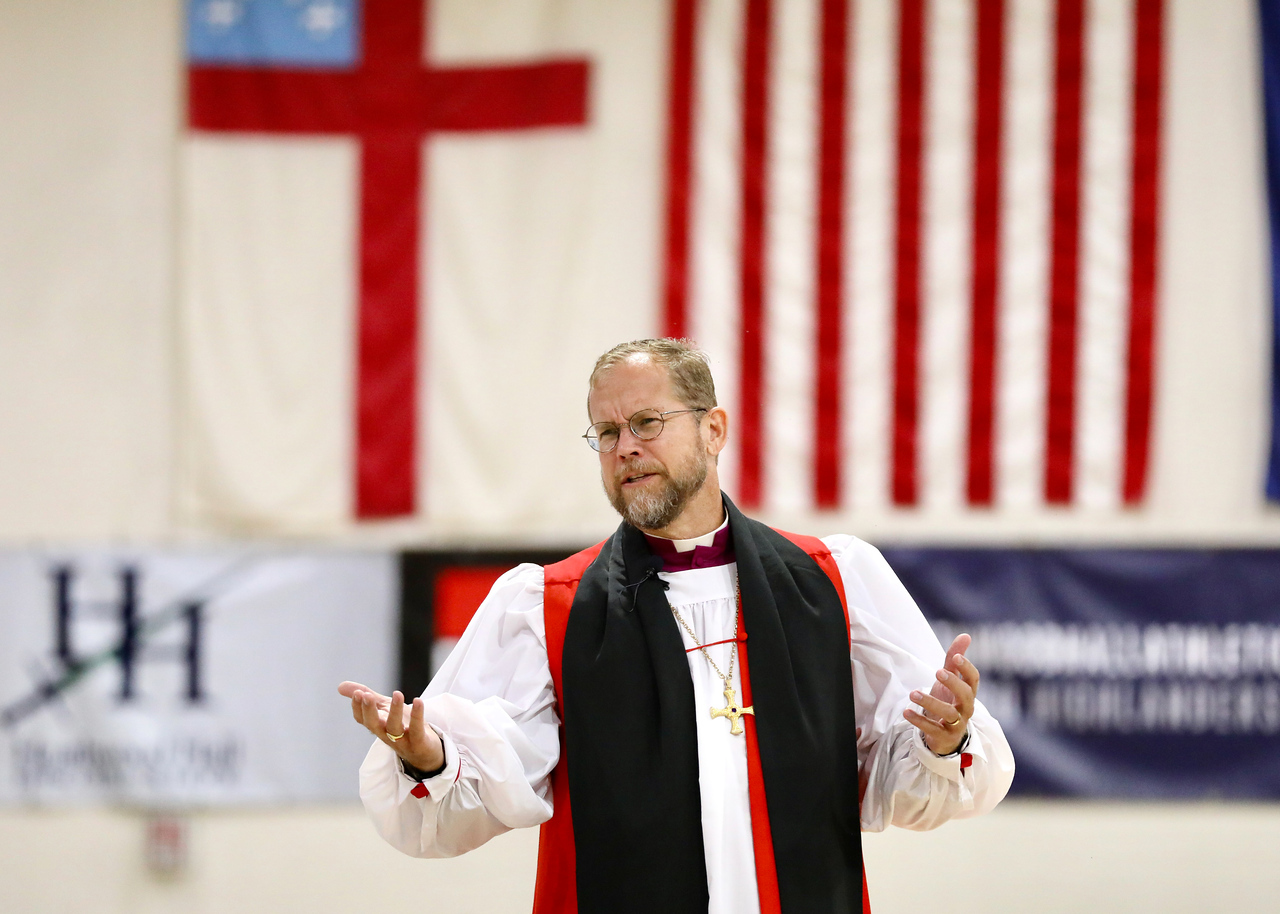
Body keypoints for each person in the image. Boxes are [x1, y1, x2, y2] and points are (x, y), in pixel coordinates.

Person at [339, 338, 1015, 914]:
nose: (624, 447)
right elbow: (490, 781)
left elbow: (903, 784)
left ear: (714, 430)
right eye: (606, 434)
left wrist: (945, 740)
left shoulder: (835, 580)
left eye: (646, 423)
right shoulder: (548, 607)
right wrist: (429, 757)